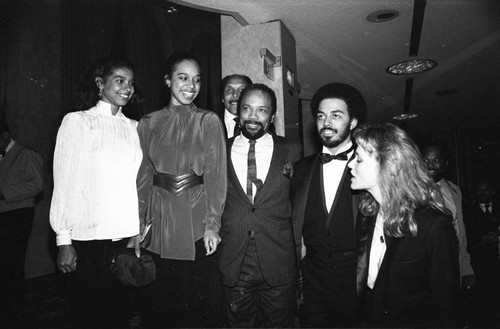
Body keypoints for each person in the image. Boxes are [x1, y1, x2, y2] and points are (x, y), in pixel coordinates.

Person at [50, 56, 142, 328]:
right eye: (120, 80)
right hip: (88, 238)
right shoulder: (77, 122)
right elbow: (64, 180)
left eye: (131, 83)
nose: (127, 88)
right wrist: (63, 240)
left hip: (123, 238)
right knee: (88, 314)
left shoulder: (136, 128)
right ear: (100, 84)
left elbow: (137, 185)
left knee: (120, 314)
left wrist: (136, 230)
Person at [136, 52, 226, 328]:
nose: (191, 85)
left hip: (195, 220)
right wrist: (138, 222)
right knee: (160, 301)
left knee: (195, 301)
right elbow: (143, 175)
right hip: (159, 218)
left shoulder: (208, 120)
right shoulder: (148, 122)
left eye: (197, 80)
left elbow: (216, 175)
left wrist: (213, 224)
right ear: (167, 80)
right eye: (183, 77)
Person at [349, 123, 459, 327]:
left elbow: (446, 305)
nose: (350, 165)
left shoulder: (434, 225)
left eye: (359, 159)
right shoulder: (366, 216)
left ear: (389, 165)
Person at [218, 83, 301, 327]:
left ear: (272, 116)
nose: (253, 117)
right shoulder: (219, 149)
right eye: (247, 109)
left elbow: (298, 202)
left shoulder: (292, 150)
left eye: (262, 110)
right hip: (235, 258)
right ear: (238, 113)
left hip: (278, 259)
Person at [291, 82, 366, 327]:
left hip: (357, 282)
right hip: (313, 284)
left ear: (352, 122)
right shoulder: (300, 169)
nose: (326, 122)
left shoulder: (370, 166)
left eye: (336, 115)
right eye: (321, 116)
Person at [0, 120, 43, 327]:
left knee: (13, 265)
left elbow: (36, 185)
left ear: (5, 135)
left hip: (17, 216)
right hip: (5, 216)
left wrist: (4, 193)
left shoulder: (25, 154)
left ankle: (15, 310)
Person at [422, 144, 475, 290]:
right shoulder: (412, 192)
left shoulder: (454, 190)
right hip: (425, 271)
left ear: (445, 164)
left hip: (454, 266)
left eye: (436, 160)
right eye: (425, 160)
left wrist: (466, 269)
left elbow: (461, 233)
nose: (430, 165)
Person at [466, 179, 500, 326]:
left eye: (486, 190)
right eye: (480, 190)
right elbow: (465, 237)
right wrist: (482, 239)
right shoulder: (469, 212)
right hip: (481, 265)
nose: (483, 193)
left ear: (493, 191)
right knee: (485, 301)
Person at [220, 74, 253, 138]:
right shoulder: (210, 122)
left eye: (241, 90)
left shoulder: (259, 123)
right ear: (222, 97)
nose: (235, 95)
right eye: (229, 90)